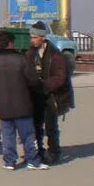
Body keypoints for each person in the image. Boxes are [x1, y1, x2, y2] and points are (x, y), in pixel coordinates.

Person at [0, 30, 49, 170]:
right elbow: (33, 81)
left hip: (2, 105)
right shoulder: (22, 59)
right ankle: (33, 160)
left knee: (7, 135)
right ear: (10, 43)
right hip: (22, 104)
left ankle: (9, 162)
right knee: (27, 135)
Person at [27, 21, 72, 165]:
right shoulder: (31, 52)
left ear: (42, 38)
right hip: (36, 96)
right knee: (36, 125)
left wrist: (43, 85)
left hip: (52, 96)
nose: (32, 40)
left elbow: (60, 77)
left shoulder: (55, 55)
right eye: (31, 37)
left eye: (34, 37)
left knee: (51, 126)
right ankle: (39, 151)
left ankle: (54, 152)